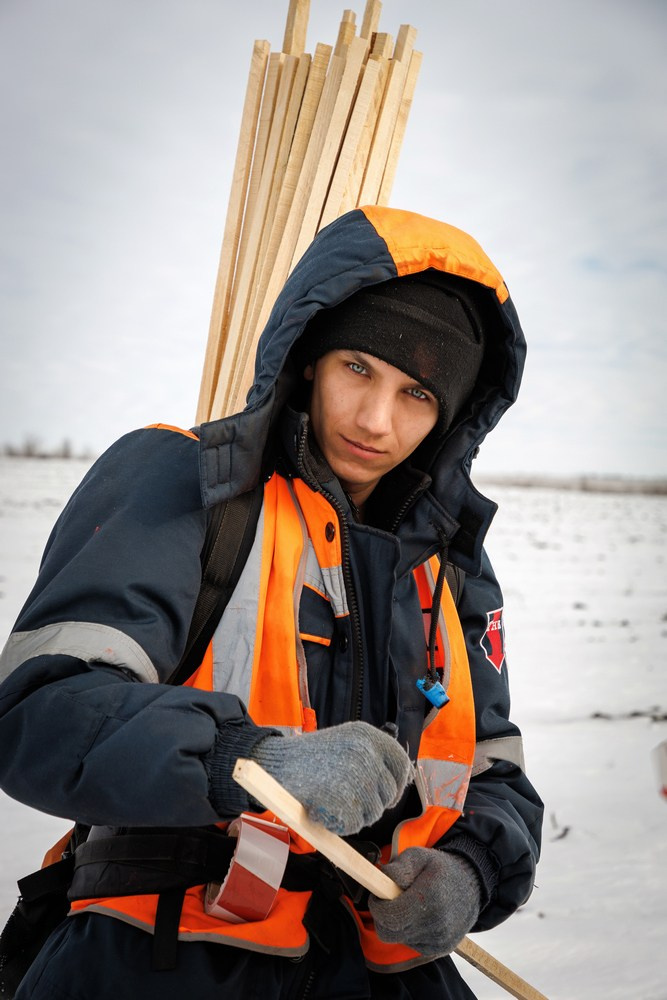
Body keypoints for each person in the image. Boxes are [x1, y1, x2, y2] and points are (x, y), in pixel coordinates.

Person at [0, 205, 543, 999]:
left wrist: (472, 868)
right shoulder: (185, 483)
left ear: (453, 417)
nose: (374, 420)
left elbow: (496, 774)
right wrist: (241, 759)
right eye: (357, 367)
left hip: (383, 975)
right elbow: (38, 711)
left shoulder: (453, 570)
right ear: (309, 357)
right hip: (160, 958)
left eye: (417, 394)